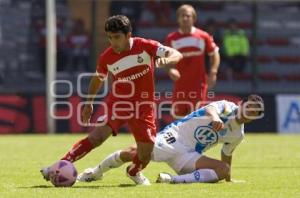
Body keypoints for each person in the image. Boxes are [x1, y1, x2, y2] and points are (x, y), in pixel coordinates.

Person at [41, 15, 183, 185]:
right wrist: (89, 103)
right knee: (97, 137)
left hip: (144, 107)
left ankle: (133, 171)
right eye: (110, 37)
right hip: (119, 104)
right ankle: (57, 167)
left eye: (117, 37)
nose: (113, 42)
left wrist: (167, 60)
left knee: (145, 154)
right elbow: (97, 79)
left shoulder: (146, 46)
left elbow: (176, 53)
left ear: (128, 35)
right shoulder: (106, 57)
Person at [77, 94, 264, 184]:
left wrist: (228, 179)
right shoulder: (226, 106)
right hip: (174, 137)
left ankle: (171, 179)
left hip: (190, 155)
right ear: (242, 104)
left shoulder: (238, 135)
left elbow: (227, 154)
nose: (249, 112)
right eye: (249, 107)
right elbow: (210, 109)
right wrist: (215, 119)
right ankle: (95, 172)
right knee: (133, 153)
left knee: (222, 169)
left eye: (253, 113)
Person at [165, 4, 220, 118]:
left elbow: (214, 54)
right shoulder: (171, 38)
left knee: (197, 117)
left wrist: (213, 72)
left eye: (188, 16)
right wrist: (170, 69)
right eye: (182, 16)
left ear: (193, 18)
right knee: (177, 117)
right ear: (178, 18)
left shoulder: (203, 36)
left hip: (198, 84)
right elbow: (165, 59)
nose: (185, 18)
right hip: (180, 85)